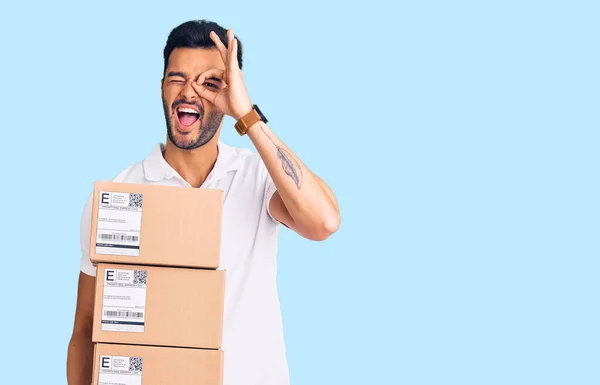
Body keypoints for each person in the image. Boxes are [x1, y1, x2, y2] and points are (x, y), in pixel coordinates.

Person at [66, 19, 340, 385]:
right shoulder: (118, 194)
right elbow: (86, 328)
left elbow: (324, 222)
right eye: (177, 78)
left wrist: (247, 115)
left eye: (209, 83)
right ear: (162, 88)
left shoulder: (258, 178)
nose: (190, 92)